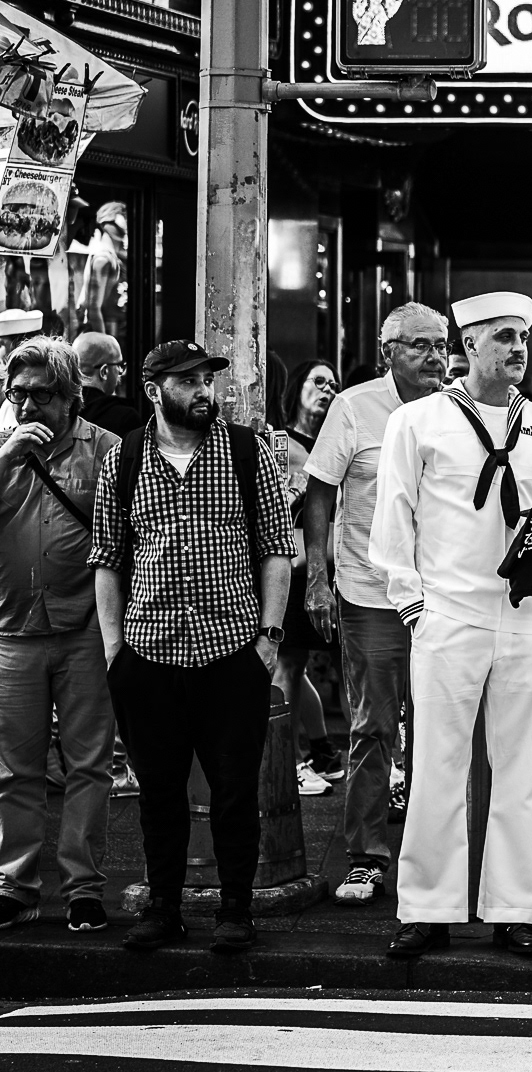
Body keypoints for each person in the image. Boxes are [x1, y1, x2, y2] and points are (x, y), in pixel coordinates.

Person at [372, 292, 532, 960]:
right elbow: (392, 519)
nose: (519, 348)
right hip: (448, 614)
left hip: (523, 617)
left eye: (523, 337)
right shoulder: (418, 421)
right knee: (437, 762)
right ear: (470, 346)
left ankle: (513, 907)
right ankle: (428, 907)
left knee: (523, 768)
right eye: (505, 337)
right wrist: (414, 605)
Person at [90, 339, 295, 953]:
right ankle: (164, 907)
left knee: (235, 791)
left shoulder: (244, 451)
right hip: (148, 652)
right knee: (159, 792)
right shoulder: (124, 459)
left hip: (232, 649)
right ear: (154, 391)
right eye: (189, 382)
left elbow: (276, 549)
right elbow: (108, 559)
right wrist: (113, 651)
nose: (205, 391)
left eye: (208, 380)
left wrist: (269, 639)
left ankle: (236, 908)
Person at [302, 302, 450, 906]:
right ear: (389, 350)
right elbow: (319, 489)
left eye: (441, 344)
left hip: (443, 595)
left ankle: (433, 853)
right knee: (373, 726)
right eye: (419, 345)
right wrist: (317, 574)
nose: (435, 356)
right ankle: (366, 856)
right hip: (370, 592)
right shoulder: (354, 407)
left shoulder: (458, 409)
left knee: (441, 729)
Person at [0, 338, 120, 932]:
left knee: (88, 764)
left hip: (84, 630)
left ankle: (82, 887)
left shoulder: (107, 452)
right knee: (14, 768)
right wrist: (7, 457)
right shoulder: (2, 447)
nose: (26, 407)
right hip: (12, 629)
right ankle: (15, 883)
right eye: (16, 394)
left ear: (72, 398)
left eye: (40, 396)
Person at [275, 359, 343, 796]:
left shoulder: (337, 443)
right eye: (317, 382)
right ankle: (290, 762)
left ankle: (322, 752)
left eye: (333, 384)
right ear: (297, 388)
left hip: (336, 568)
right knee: (288, 663)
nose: (327, 390)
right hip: (297, 569)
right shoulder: (281, 443)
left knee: (311, 666)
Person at [71, 333, 141, 437]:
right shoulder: (124, 418)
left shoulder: (59, 409)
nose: (122, 371)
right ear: (104, 371)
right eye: (119, 365)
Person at [74, 204, 126, 338]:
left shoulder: (111, 257)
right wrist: (104, 344)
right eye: (123, 218)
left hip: (112, 328)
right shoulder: (103, 259)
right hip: (103, 330)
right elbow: (93, 307)